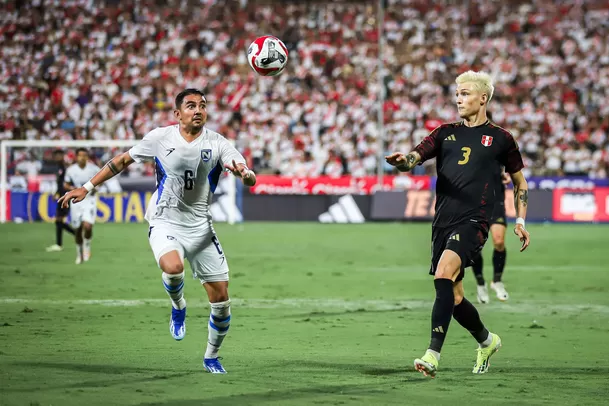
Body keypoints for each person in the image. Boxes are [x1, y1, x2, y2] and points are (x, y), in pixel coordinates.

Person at [58, 89, 256, 374]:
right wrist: (87, 188)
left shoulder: (218, 143)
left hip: (200, 228)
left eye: (202, 105)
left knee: (222, 302)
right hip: (164, 220)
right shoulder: (160, 138)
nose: (198, 110)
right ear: (178, 114)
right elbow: (122, 161)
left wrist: (245, 174)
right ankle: (179, 306)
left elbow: (244, 173)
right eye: (191, 106)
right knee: (173, 268)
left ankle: (211, 357)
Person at [385, 70, 530, 378]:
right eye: (457, 94)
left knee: (443, 273)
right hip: (442, 222)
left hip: (475, 220)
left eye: (465, 94)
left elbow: (520, 182)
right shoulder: (444, 133)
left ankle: (432, 354)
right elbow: (415, 156)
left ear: (483, 98)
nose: (459, 99)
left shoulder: (502, 139)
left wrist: (519, 220)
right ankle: (487, 341)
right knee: (455, 295)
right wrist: (403, 163)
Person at [471, 170, 511, 303]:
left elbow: (510, 162)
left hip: (496, 201)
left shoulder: (498, 150)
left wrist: (507, 173)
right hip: (475, 202)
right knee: (475, 246)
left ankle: (497, 281)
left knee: (499, 241)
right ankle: (480, 283)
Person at [64, 148, 100, 264]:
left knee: (88, 226)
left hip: (90, 200)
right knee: (78, 229)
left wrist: (96, 187)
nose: (82, 158)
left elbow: (102, 178)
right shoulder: (71, 170)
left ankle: (87, 248)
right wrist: (74, 190)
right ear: (76, 157)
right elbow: (66, 184)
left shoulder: (93, 168)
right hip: (76, 201)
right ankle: (79, 254)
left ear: (87, 157)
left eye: (84, 155)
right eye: (80, 155)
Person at [46, 149, 75, 252]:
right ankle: (60, 243)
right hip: (61, 196)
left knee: (58, 220)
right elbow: (60, 183)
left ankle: (62, 242)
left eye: (58, 155)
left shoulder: (65, 167)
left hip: (65, 196)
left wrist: (61, 193)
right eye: (55, 156)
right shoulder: (60, 167)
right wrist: (56, 193)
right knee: (58, 220)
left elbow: (65, 184)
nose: (56, 157)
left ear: (62, 155)